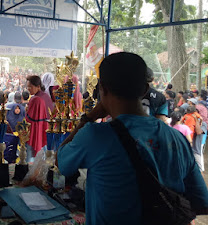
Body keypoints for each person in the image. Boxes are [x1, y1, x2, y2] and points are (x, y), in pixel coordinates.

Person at [57, 52, 208, 225]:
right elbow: (201, 202)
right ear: (144, 90)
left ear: (102, 88)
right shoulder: (177, 138)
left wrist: (88, 117)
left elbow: (61, 163)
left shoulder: (95, 135)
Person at [26, 96, 47, 162]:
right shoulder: (44, 120)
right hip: (42, 146)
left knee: (28, 156)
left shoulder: (27, 119)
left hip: (28, 143)